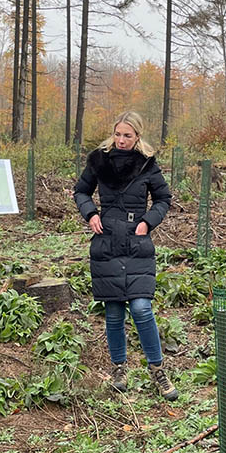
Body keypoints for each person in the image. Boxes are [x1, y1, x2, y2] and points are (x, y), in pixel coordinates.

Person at [73, 111, 178, 401]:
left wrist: (148, 222)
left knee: (142, 308)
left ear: (137, 137)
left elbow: (163, 199)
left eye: (127, 135)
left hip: (137, 242)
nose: (121, 140)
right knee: (114, 312)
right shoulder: (98, 160)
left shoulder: (147, 165)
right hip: (106, 242)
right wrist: (90, 213)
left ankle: (157, 369)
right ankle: (118, 368)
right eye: (118, 134)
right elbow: (81, 192)